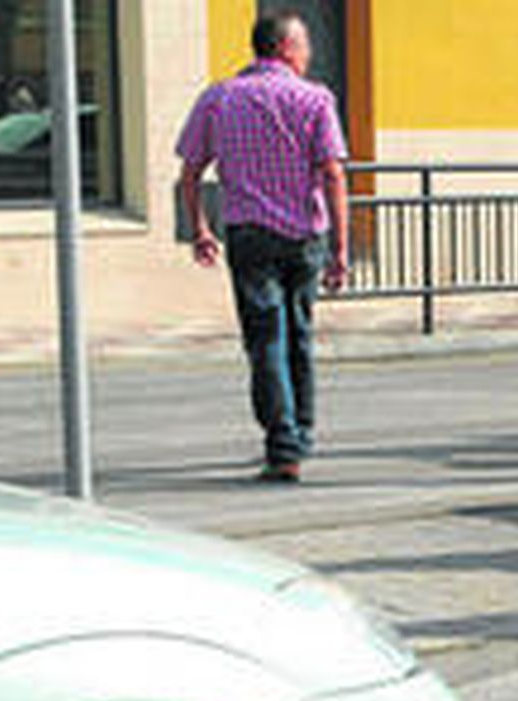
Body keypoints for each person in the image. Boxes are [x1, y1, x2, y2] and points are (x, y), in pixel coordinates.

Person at [176, 9, 349, 484]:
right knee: (299, 333)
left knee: (266, 340)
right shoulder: (315, 100)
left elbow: (190, 173)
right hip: (304, 235)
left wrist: (201, 229)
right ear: (286, 49)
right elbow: (333, 173)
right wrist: (340, 249)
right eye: (305, 45)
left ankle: (283, 444)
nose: (310, 53)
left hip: (250, 235)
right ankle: (301, 433)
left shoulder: (219, 98)